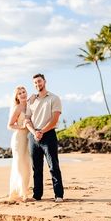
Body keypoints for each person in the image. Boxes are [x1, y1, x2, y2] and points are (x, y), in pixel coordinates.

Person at [25, 73, 64, 202]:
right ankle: (37, 195)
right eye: (35, 83)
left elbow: (55, 119)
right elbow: (27, 119)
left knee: (53, 166)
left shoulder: (54, 98)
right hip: (33, 136)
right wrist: (34, 132)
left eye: (39, 81)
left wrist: (41, 131)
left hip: (48, 135)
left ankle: (58, 195)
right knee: (36, 168)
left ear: (45, 81)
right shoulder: (32, 100)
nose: (37, 84)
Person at [7, 86, 31, 202]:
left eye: (23, 92)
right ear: (17, 97)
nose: (22, 94)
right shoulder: (17, 108)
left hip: (28, 138)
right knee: (20, 165)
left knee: (27, 164)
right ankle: (21, 194)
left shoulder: (30, 104)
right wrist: (21, 126)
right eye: (19, 93)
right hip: (19, 139)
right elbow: (10, 125)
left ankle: (25, 191)